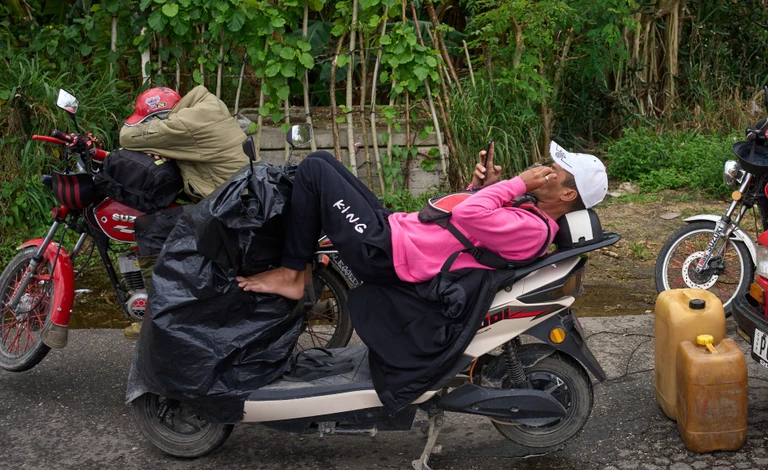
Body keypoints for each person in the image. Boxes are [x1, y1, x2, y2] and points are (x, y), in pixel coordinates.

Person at [236, 142, 609, 300]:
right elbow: (467, 226)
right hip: (397, 233)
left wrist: (513, 185)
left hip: (388, 252)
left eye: (553, 173)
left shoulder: (532, 229)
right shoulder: (529, 213)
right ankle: (295, 268)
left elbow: (467, 216)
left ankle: (290, 275)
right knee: (325, 164)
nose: (541, 172)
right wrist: (483, 187)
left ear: (567, 196)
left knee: (316, 168)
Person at [119, 85, 250, 200]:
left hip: (231, 199)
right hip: (248, 185)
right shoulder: (206, 106)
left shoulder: (182, 124)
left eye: (147, 121)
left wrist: (152, 139)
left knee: (151, 223)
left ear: (161, 116)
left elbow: (126, 137)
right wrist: (157, 147)